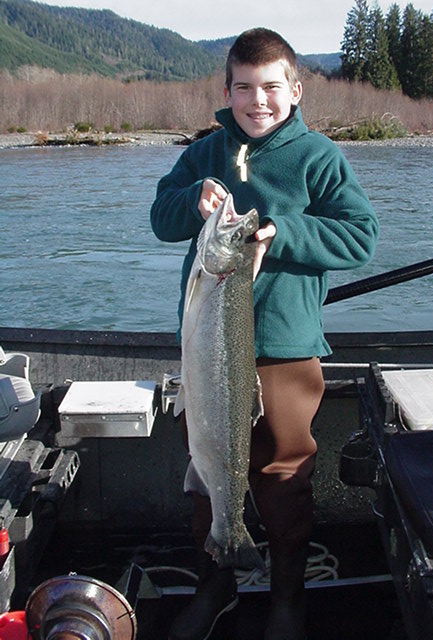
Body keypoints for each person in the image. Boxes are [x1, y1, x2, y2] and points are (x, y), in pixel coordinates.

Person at [150, 27, 379, 640]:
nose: (258, 100)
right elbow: (160, 217)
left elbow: (360, 237)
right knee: (207, 475)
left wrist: (284, 230)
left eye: (271, 87)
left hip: (284, 351)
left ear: (295, 90)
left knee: (284, 479)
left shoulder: (320, 158)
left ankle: (286, 599)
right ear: (227, 90)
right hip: (205, 355)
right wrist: (192, 199)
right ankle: (216, 583)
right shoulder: (204, 152)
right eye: (244, 88)